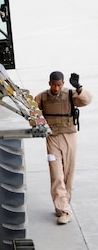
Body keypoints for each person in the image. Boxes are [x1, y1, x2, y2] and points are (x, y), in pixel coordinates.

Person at [35, 71, 92, 225]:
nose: (56, 88)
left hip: (69, 137)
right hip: (52, 138)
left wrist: (79, 87)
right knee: (57, 174)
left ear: (63, 83)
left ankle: (64, 203)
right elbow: (32, 111)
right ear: (49, 83)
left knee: (68, 174)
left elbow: (87, 100)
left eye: (59, 85)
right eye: (54, 84)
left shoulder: (70, 94)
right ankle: (64, 210)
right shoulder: (42, 97)